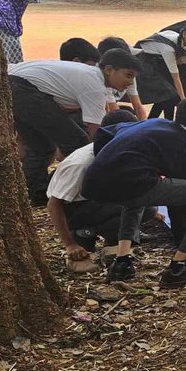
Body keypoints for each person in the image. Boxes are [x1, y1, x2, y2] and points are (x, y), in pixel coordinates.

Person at [83, 96, 186, 288]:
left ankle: (122, 262)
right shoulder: (183, 149)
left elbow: (104, 132)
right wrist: (185, 245)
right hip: (129, 183)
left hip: (93, 183)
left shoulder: (155, 123)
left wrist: (108, 164)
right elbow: (178, 206)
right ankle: (179, 267)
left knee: (135, 193)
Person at [8, 52, 141, 206]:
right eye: (128, 75)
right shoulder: (94, 86)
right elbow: (96, 136)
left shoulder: (91, 75)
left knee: (42, 148)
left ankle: (27, 198)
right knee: (78, 143)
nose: (130, 82)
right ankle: (71, 195)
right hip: (23, 89)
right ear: (109, 69)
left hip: (14, 86)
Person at [47, 109, 140, 272]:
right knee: (136, 204)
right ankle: (84, 232)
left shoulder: (116, 150)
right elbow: (54, 204)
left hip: (95, 201)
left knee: (146, 207)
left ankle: (110, 239)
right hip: (75, 208)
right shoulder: (81, 163)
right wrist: (69, 244)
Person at [133, 22, 186, 120]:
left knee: (166, 97)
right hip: (145, 63)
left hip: (158, 61)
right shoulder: (169, 49)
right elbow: (176, 79)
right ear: (185, 34)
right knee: (168, 95)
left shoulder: (182, 43)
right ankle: (162, 122)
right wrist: (183, 102)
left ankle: (154, 121)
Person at [97, 36, 148, 119]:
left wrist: (145, 127)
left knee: (128, 112)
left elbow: (138, 107)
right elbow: (115, 115)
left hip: (109, 107)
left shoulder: (126, 73)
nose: (131, 81)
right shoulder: (100, 79)